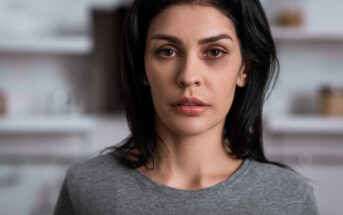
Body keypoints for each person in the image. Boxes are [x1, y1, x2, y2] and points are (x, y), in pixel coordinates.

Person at [54, 0, 320, 214]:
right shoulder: (86, 189)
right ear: (142, 69)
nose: (188, 76)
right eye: (167, 51)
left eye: (215, 52)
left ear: (244, 70)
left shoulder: (290, 198)